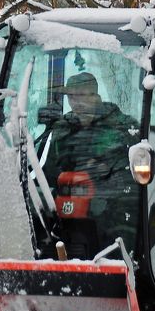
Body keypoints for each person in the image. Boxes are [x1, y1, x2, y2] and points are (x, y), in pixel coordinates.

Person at [40, 72, 139, 254]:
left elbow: (133, 175)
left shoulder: (124, 127)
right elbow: (50, 173)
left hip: (114, 205)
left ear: (95, 96)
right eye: (71, 96)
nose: (76, 101)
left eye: (81, 95)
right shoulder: (61, 129)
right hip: (70, 204)